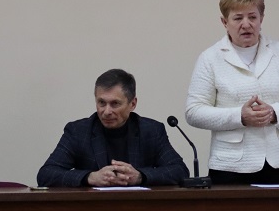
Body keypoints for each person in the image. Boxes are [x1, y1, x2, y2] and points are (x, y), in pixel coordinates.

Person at [185, 0, 279, 184]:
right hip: (231, 166)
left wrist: (274, 112)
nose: (246, 24)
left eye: (252, 17)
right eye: (238, 18)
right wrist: (240, 116)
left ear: (261, 19)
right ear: (224, 22)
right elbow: (194, 112)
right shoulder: (210, 58)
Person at [37, 68, 189, 187]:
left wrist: (140, 176)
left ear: (132, 104)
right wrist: (90, 177)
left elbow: (180, 171)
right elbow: (46, 174)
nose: (106, 111)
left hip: (139, 209)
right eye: (101, 103)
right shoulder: (78, 131)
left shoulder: (151, 131)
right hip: (92, 210)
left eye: (115, 104)